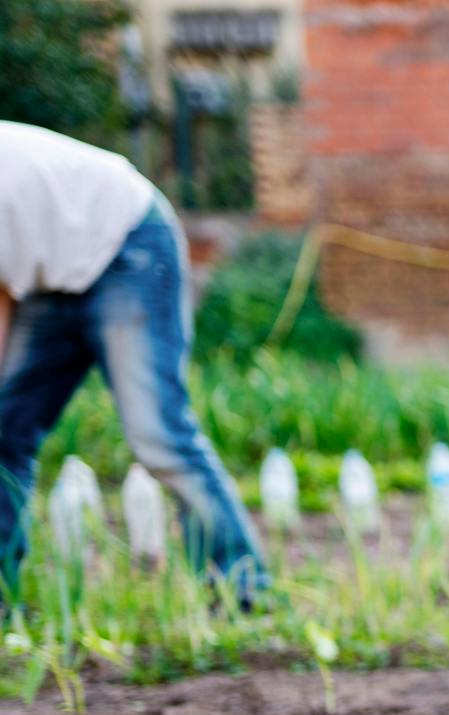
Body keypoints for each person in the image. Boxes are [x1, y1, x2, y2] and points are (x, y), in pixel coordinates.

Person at [0, 122, 266, 597]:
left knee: (158, 434)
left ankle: (241, 586)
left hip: (127, 241)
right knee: (4, 435)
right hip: (50, 275)